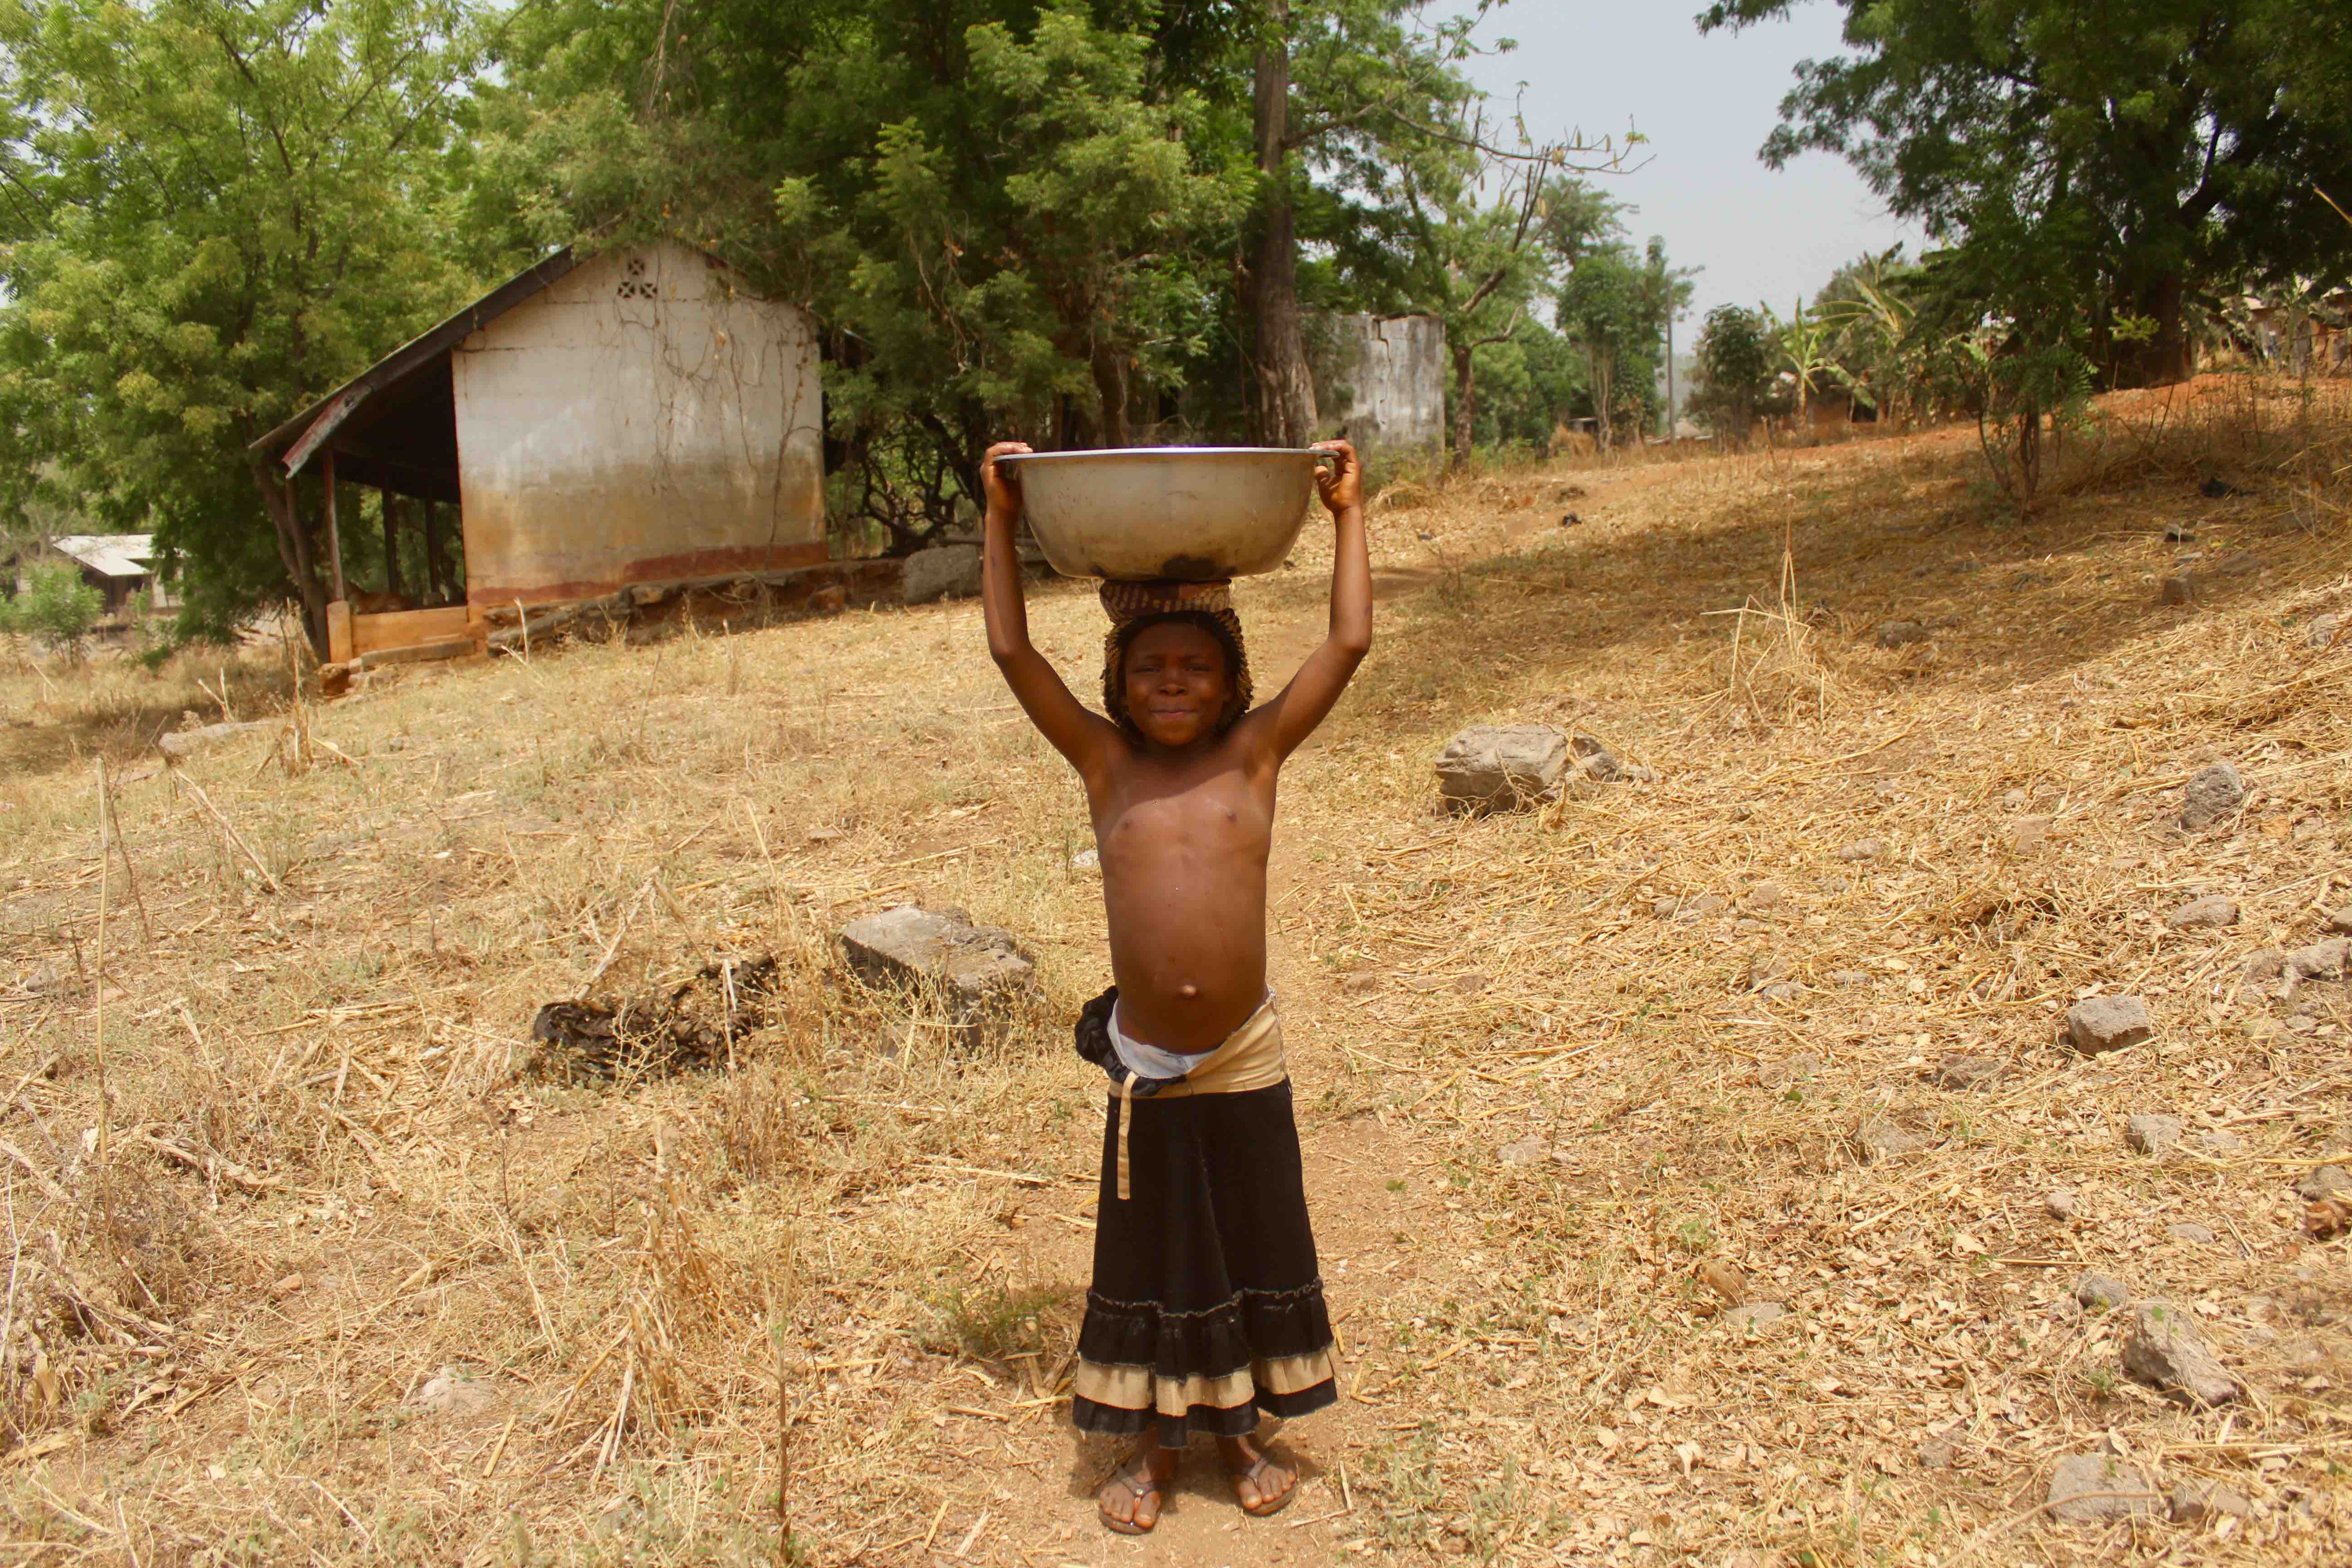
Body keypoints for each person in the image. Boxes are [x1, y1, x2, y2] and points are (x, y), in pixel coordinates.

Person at [979, 438, 1371, 1534]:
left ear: (1234, 683)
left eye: (1196, 668)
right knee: (1158, 1254)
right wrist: (1000, 515)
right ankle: (1155, 1446)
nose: (1171, 684)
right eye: (1149, 668)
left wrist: (1349, 512)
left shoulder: (1257, 756)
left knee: (1251, 1236)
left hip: (1244, 1055)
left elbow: (1348, 640)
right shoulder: (1105, 765)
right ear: (1116, 685)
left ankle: (1240, 1432)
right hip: (1149, 1064)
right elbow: (1011, 649)